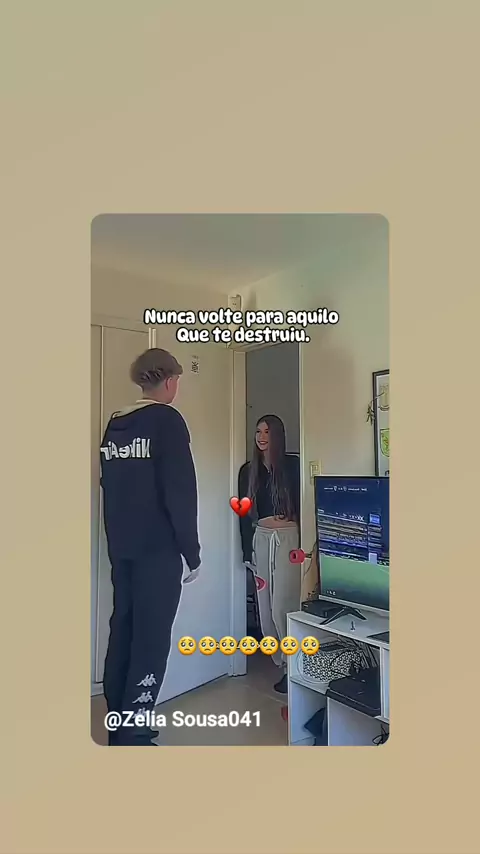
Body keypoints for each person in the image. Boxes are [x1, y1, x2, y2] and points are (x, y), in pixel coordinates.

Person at [100, 348, 201, 745]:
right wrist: (192, 553)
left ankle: (119, 721)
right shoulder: (167, 420)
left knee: (123, 631)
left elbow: (111, 488)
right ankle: (133, 732)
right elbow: (181, 492)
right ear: (171, 381)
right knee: (151, 640)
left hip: (122, 549)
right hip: (157, 553)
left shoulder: (115, 424)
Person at [238, 415, 300, 694]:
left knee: (284, 603)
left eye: (267, 432)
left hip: (288, 540)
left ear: (277, 435)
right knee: (265, 606)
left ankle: (293, 665)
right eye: (258, 432)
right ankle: (281, 664)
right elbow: (243, 514)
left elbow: (303, 506)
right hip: (261, 540)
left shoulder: (292, 466)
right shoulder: (248, 471)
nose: (261, 437)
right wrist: (246, 549)